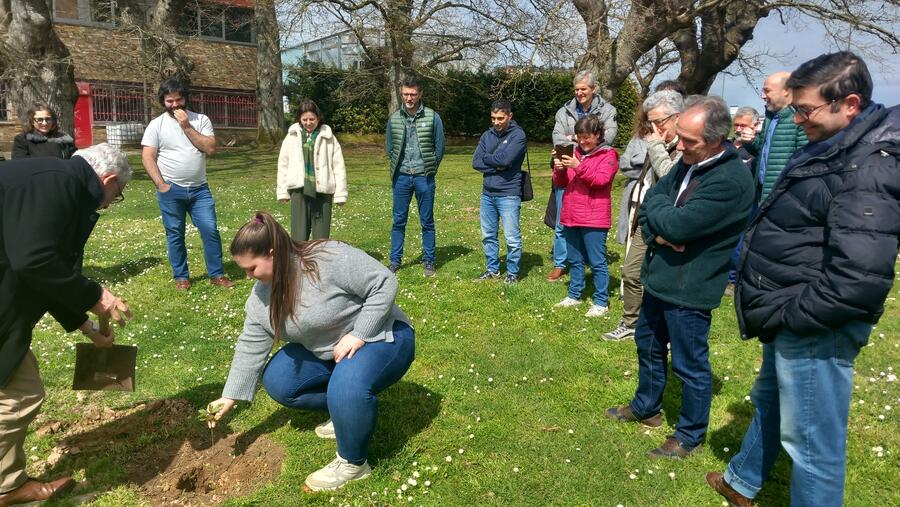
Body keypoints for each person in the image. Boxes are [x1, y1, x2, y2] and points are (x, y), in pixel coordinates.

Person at [707, 52, 900, 507]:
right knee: (771, 399)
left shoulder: (870, 165)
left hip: (814, 321)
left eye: (805, 109)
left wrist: (792, 315)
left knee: (813, 446)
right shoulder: (836, 143)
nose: (796, 118)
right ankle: (743, 480)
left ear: (849, 103)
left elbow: (858, 277)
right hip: (791, 306)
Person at [206, 212, 415, 492]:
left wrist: (359, 333)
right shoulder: (261, 296)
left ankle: (353, 464)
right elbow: (250, 343)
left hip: (383, 335)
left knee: (348, 386)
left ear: (272, 253)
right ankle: (346, 411)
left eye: (252, 268)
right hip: (333, 351)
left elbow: (384, 282)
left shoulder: (327, 257)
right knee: (280, 382)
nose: (247, 277)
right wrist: (229, 395)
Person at [605, 96, 755, 458]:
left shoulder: (731, 180)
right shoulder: (688, 161)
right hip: (660, 275)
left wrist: (664, 222)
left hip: (690, 286)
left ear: (717, 139)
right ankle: (646, 406)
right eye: (681, 137)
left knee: (690, 365)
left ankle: (689, 434)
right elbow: (654, 200)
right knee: (649, 345)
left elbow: (678, 224)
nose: (680, 146)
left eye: (690, 141)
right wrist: (662, 231)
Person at [0, 143, 132, 505]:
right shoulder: (56, 185)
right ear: (108, 180)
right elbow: (34, 262)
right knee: (19, 395)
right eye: (115, 195)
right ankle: (7, 487)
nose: (108, 205)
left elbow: (46, 271)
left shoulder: (57, 182)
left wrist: (87, 327)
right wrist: (95, 295)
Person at [604, 90, 684, 341]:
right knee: (630, 271)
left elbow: (672, 178)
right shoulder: (660, 142)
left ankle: (667, 333)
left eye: (659, 121)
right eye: (650, 122)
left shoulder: (686, 145)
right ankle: (630, 323)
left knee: (666, 281)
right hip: (648, 217)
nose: (654, 129)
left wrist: (655, 146)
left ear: (677, 117)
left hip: (675, 223)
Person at [141, 78, 234, 291]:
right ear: (162, 102)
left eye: (178, 99)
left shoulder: (200, 120)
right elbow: (148, 157)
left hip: (200, 189)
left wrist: (186, 126)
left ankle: (217, 274)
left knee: (210, 229)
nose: (175, 105)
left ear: (186, 98)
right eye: (169, 101)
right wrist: (161, 185)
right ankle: (181, 277)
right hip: (171, 190)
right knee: (175, 233)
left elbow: (210, 148)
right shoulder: (156, 125)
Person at [548, 70, 618, 282]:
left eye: (583, 89)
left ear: (593, 89)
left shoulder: (607, 110)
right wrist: (580, 142)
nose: (579, 93)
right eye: (576, 89)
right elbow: (558, 138)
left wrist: (576, 140)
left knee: (589, 217)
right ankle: (561, 263)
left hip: (594, 166)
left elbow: (608, 136)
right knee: (564, 219)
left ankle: (586, 256)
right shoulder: (564, 111)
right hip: (567, 167)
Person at [551, 115, 618, 317]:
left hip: (594, 217)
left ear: (598, 135)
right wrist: (560, 169)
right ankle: (574, 294)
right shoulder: (573, 154)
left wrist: (577, 167)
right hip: (571, 213)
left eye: (586, 137)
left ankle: (601, 301)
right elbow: (561, 183)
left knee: (597, 261)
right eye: (579, 137)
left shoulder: (609, 155)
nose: (582, 141)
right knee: (575, 259)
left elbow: (601, 181)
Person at [385, 75, 445, 277]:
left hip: (424, 178)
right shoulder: (394, 119)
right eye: (405, 94)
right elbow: (390, 147)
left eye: (412, 94)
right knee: (398, 220)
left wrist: (430, 168)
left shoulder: (432, 117)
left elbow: (440, 148)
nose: (408, 98)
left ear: (420, 94)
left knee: (427, 221)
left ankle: (429, 261)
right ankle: (395, 260)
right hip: (401, 177)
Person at [472, 99, 527, 283]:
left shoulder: (518, 136)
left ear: (510, 116)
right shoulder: (487, 135)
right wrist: (495, 163)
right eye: (493, 118)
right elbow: (476, 162)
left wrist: (490, 160)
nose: (496, 122)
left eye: (500, 118)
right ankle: (492, 269)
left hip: (509, 193)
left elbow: (506, 160)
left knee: (511, 237)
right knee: (488, 235)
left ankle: (512, 273)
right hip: (487, 193)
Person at [277, 99, 347, 241]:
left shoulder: (329, 137)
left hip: (322, 191)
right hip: (299, 190)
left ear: (318, 118)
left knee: (321, 238)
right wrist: (282, 191)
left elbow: (338, 166)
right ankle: (299, 262)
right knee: (298, 236)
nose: (308, 123)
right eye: (305, 119)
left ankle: (320, 263)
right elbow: (283, 164)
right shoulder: (291, 137)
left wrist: (340, 194)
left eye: (312, 119)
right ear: (299, 119)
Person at [739, 72, 807, 203]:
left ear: (786, 91)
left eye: (767, 91)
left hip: (782, 198)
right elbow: (761, 152)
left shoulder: (801, 119)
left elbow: (804, 162)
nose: (763, 96)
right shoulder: (770, 118)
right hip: (761, 193)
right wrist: (751, 141)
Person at [11, 103, 76, 160]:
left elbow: (74, 161)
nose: (44, 123)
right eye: (39, 119)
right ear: (32, 121)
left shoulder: (63, 138)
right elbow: (20, 164)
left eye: (48, 119)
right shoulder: (22, 140)